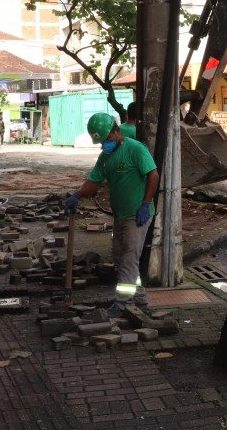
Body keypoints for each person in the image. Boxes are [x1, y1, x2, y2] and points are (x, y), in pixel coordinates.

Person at [64, 113, 159, 316]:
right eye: (101, 141)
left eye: (107, 139)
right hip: (120, 215)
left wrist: (146, 203)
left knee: (129, 257)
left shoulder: (135, 149)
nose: (104, 144)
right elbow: (93, 182)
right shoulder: (105, 157)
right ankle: (140, 300)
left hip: (138, 214)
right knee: (120, 257)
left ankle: (122, 303)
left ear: (116, 132)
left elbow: (153, 174)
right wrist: (77, 195)